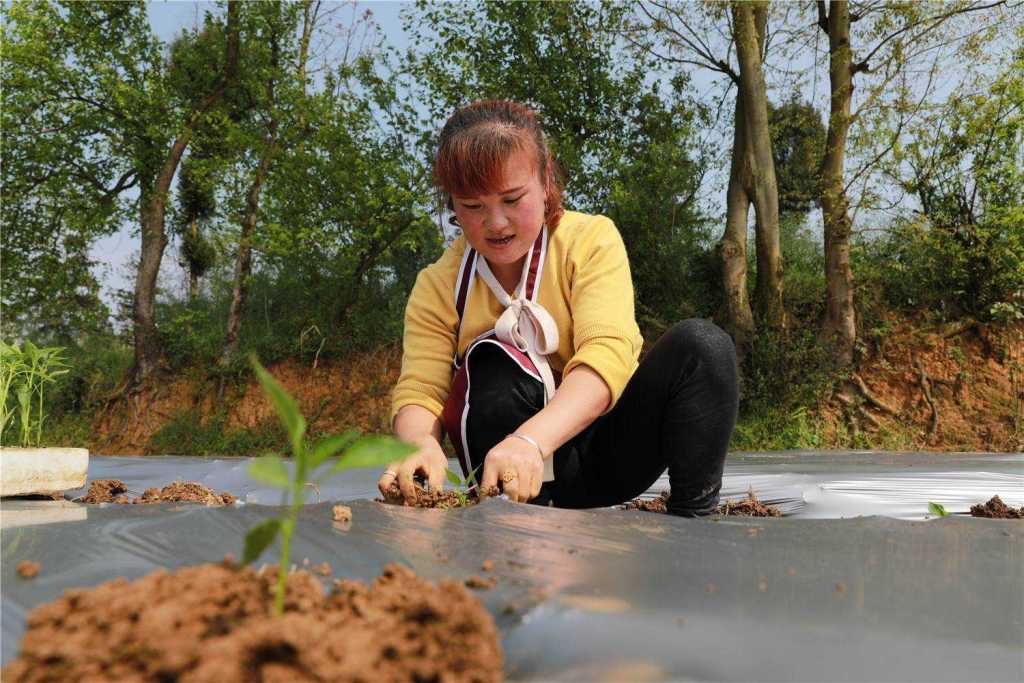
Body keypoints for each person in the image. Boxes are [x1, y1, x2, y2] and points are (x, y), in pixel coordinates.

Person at [378, 99, 739, 516]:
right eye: (473, 206)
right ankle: (518, 530)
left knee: (703, 346)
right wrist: (418, 442)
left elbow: (607, 353)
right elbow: (421, 389)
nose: (496, 223)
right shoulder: (439, 283)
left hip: (602, 454)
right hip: (507, 475)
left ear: (545, 181)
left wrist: (532, 441)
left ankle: (693, 517)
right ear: (452, 204)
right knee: (492, 360)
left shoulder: (590, 241)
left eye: (512, 199)